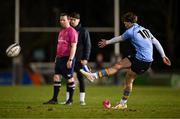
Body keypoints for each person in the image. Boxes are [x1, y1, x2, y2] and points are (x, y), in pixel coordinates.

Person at [80, 12, 171, 109]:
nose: (124, 25)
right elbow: (156, 42)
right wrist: (163, 55)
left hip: (143, 61)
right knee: (118, 65)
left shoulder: (131, 31)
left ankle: (123, 104)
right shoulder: (145, 29)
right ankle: (94, 76)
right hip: (139, 56)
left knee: (128, 79)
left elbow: (119, 39)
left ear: (129, 22)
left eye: (125, 23)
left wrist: (107, 42)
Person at [43, 13, 78, 105]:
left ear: (69, 20)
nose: (61, 21)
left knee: (69, 78)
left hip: (67, 58)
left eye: (64, 20)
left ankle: (70, 100)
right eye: (60, 20)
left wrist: (70, 59)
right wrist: (56, 56)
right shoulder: (61, 31)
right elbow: (60, 45)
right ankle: (54, 99)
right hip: (59, 58)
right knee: (56, 77)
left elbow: (74, 46)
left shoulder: (72, 31)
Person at [61, 12, 91, 105]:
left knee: (80, 78)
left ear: (78, 20)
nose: (72, 21)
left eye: (74, 19)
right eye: (71, 19)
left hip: (80, 59)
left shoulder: (83, 31)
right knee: (69, 78)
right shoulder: (67, 31)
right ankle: (68, 100)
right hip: (69, 58)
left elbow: (88, 45)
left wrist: (85, 58)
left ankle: (82, 100)